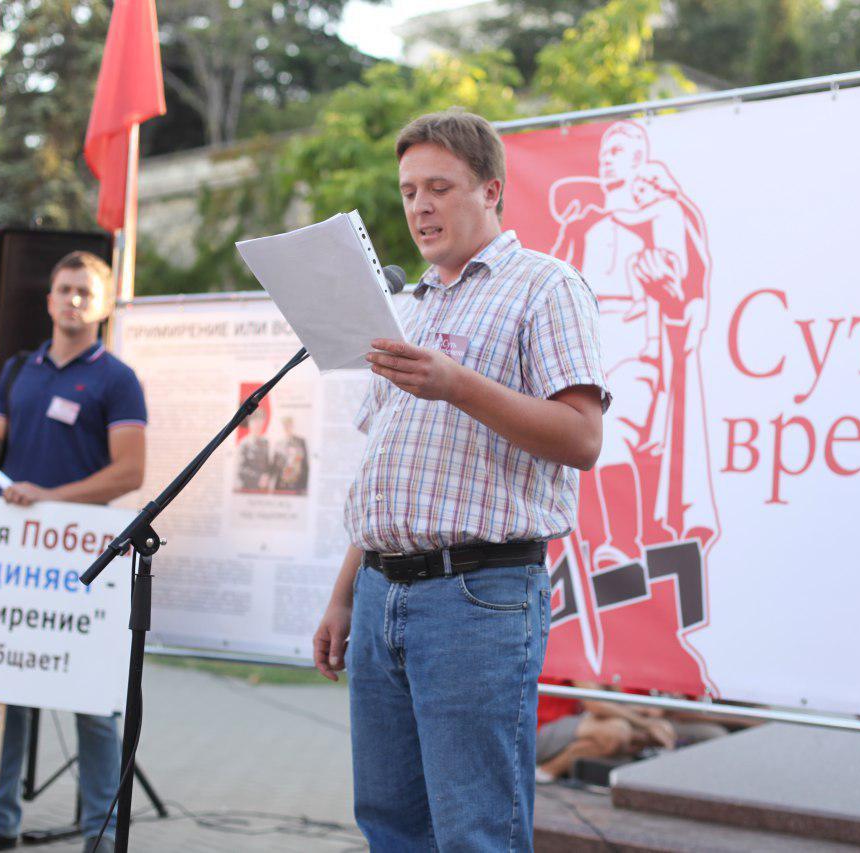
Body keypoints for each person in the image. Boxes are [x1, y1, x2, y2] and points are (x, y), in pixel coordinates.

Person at [312, 110, 609, 852]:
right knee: (390, 824)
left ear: (492, 189)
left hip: (477, 597)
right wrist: (346, 591)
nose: (419, 207)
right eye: (409, 190)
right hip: (382, 590)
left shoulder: (547, 286)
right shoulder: (406, 307)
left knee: (476, 831)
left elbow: (582, 437)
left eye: (439, 187)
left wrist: (457, 384)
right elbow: (387, 463)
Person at [0, 251, 147, 853]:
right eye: (63, 289)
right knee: (5, 690)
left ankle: (99, 831)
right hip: (19, 556)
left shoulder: (117, 378)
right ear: (47, 300)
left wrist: (51, 498)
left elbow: (130, 473)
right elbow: (1, 455)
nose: (72, 300)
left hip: (85, 559)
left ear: (105, 303)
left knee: (91, 700)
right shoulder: (19, 371)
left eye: (85, 291)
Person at [534, 679, 727, 782]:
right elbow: (597, 704)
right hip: (537, 732)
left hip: (570, 726)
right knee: (617, 731)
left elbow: (618, 702)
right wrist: (646, 721)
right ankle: (545, 771)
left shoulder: (601, 651)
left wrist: (646, 722)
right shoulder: (579, 647)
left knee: (633, 733)